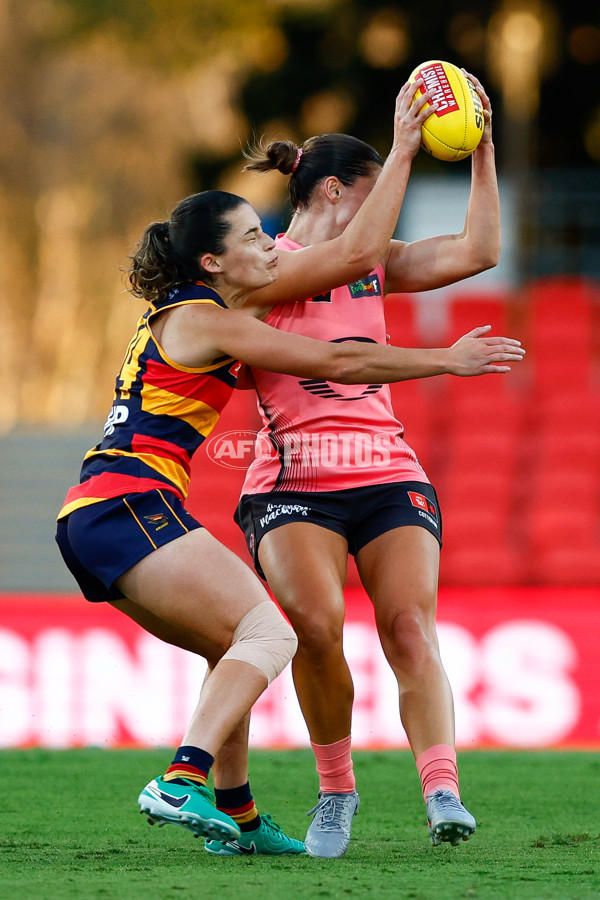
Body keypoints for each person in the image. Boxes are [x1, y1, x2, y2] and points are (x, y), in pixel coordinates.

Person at [55, 77, 523, 858]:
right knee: (280, 631)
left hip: (123, 504)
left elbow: (457, 253)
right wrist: (445, 357)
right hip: (181, 494)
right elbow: (333, 343)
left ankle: (237, 815)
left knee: (239, 645)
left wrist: (480, 154)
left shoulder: (212, 304)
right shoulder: (238, 301)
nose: (264, 243)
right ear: (217, 259)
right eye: (251, 236)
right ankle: (196, 778)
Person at [224, 70, 519, 858]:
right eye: (376, 190)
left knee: (410, 629)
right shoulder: (261, 271)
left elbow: (480, 249)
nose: (387, 213)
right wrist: (409, 146)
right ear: (327, 192)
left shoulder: (372, 258)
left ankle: (443, 788)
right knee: (317, 627)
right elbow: (352, 250)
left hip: (385, 471)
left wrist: (483, 151)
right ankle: (336, 789)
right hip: (294, 482)